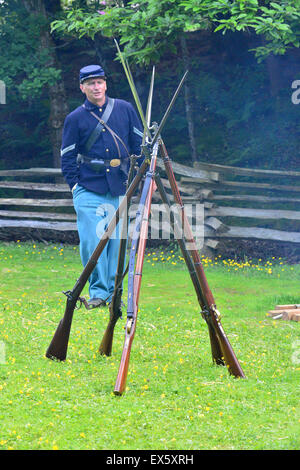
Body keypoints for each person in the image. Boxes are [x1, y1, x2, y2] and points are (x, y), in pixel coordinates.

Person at [61, 64, 143, 309]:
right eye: (90, 83)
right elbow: (66, 155)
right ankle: (98, 292)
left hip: (119, 185)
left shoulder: (125, 109)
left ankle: (113, 291)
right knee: (93, 241)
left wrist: (137, 178)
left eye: (99, 82)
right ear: (82, 87)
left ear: (105, 84)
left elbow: (139, 147)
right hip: (88, 186)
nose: (96, 87)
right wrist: (74, 186)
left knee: (117, 242)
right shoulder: (74, 118)